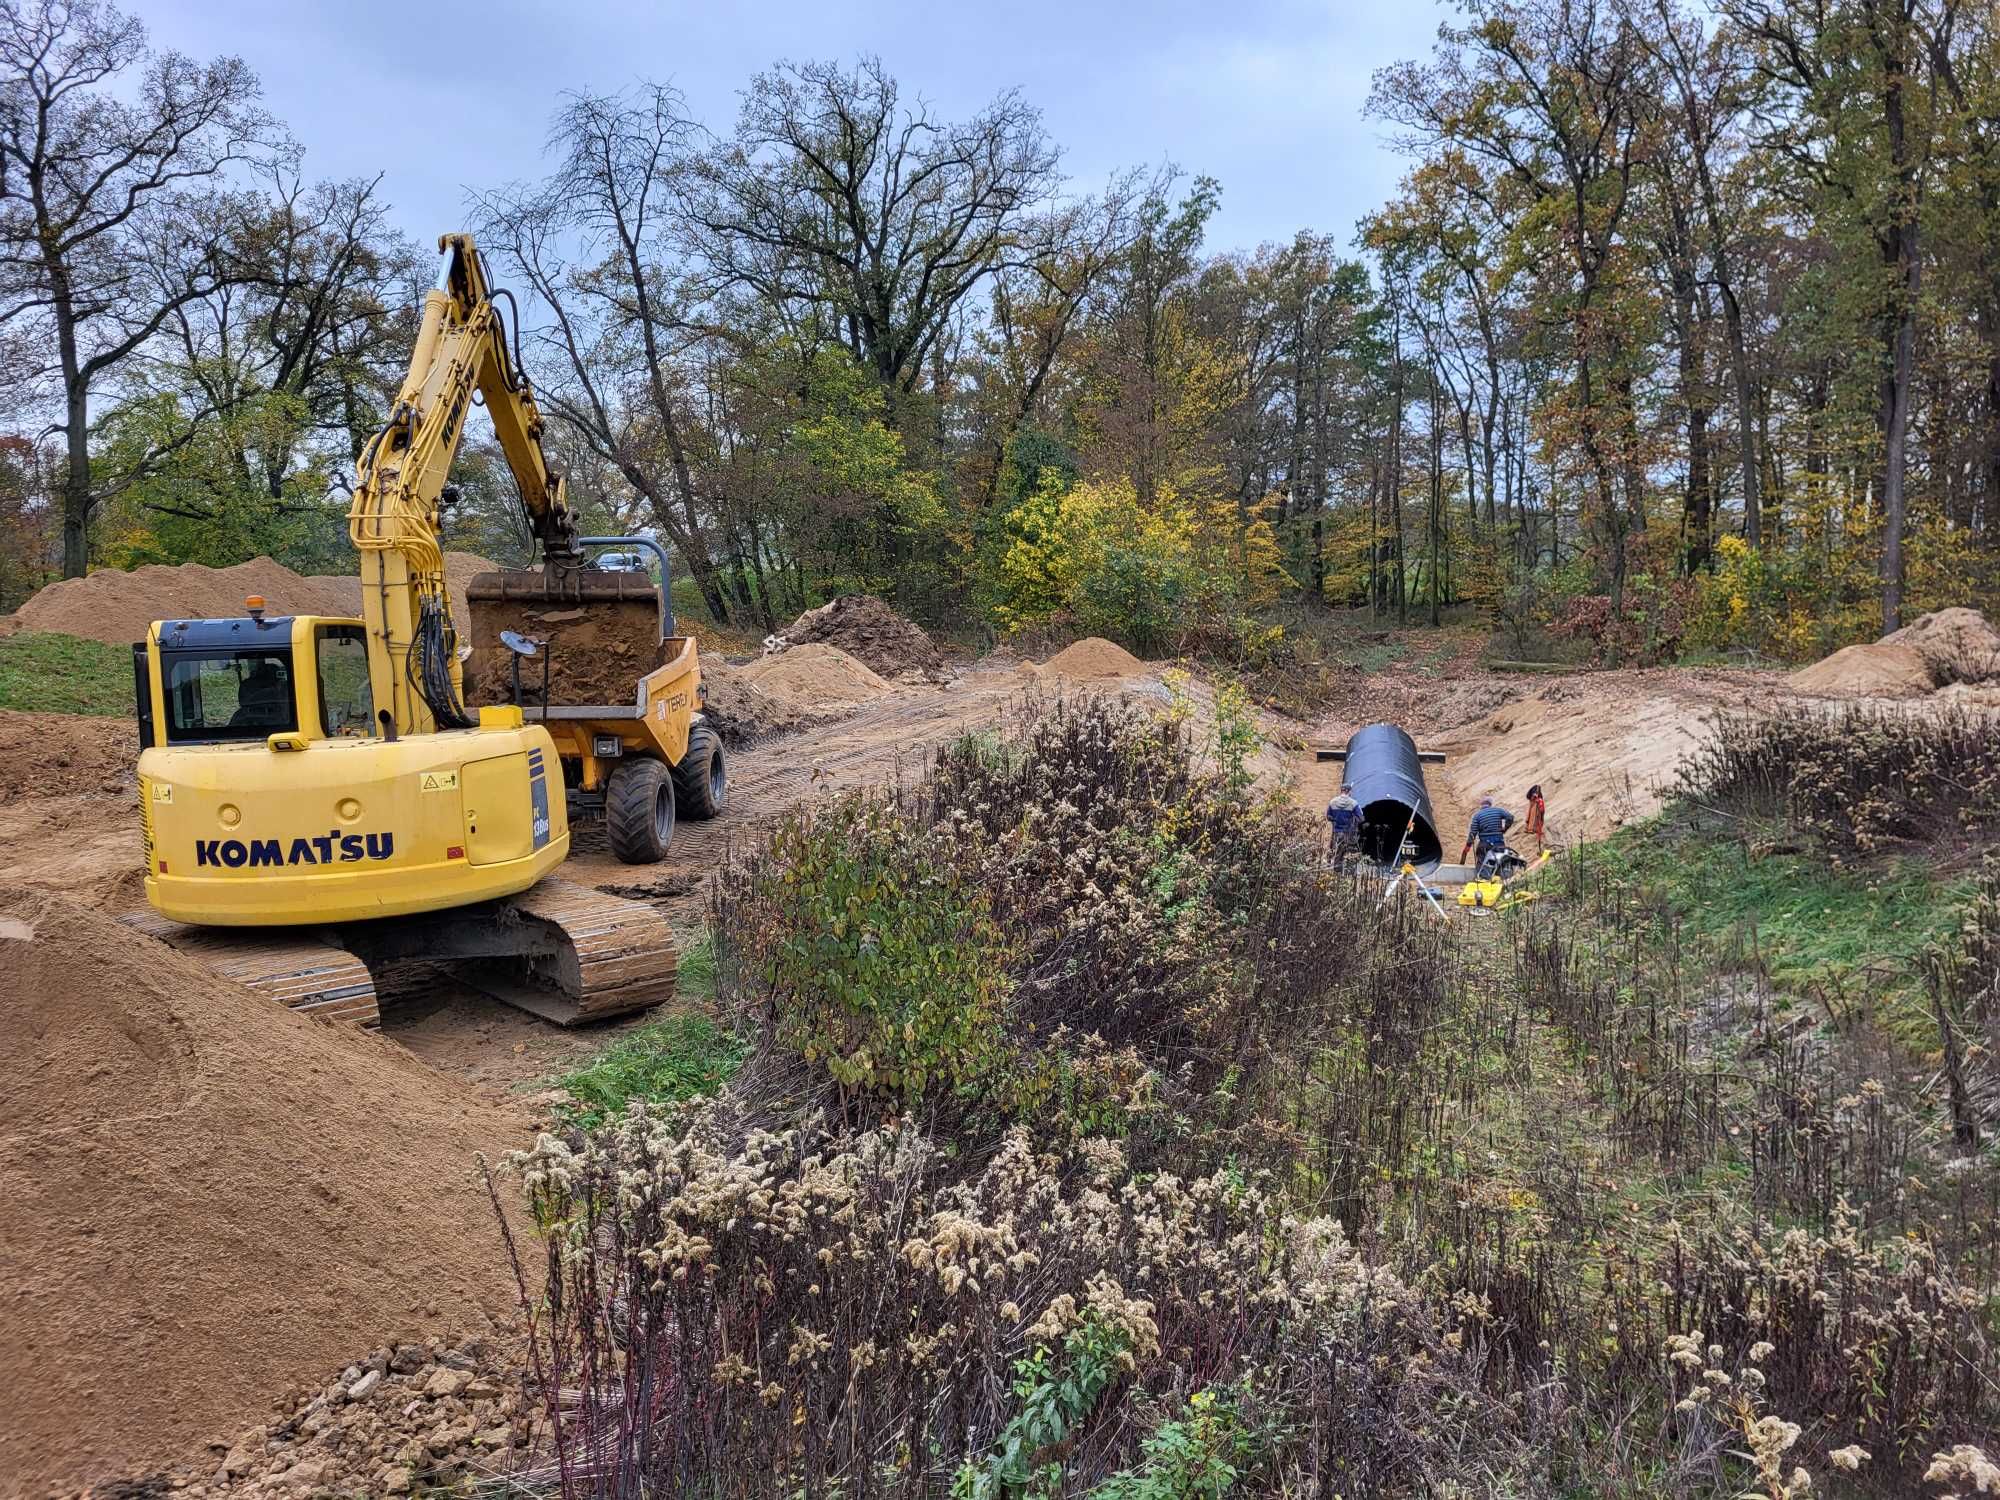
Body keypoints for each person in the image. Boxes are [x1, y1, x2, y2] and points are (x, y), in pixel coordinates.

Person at [1459, 796, 1515, 867]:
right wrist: (1504, 828)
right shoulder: (1498, 810)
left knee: (1482, 865)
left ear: (1481, 805)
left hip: (1484, 845)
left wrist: (1468, 845)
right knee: (1500, 865)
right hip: (1499, 844)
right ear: (1490, 804)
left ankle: (1481, 876)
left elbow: (1473, 833)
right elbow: (1510, 817)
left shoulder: (1477, 815)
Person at [1326, 783, 1361, 864]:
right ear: (1349, 792)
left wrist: (1336, 820)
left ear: (1341, 791)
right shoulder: (1353, 803)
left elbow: (1328, 816)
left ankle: (1329, 868)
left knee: (1333, 852)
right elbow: (1361, 818)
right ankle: (1339, 873)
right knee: (1343, 855)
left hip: (1336, 832)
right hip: (1347, 834)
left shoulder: (1332, 802)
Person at [1523, 784, 1547, 855]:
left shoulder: (1531, 801)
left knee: (1538, 835)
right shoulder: (1538, 800)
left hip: (1531, 825)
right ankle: (1540, 849)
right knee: (1539, 835)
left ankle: (1539, 849)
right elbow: (1542, 810)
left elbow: (1529, 813)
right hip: (1537, 821)